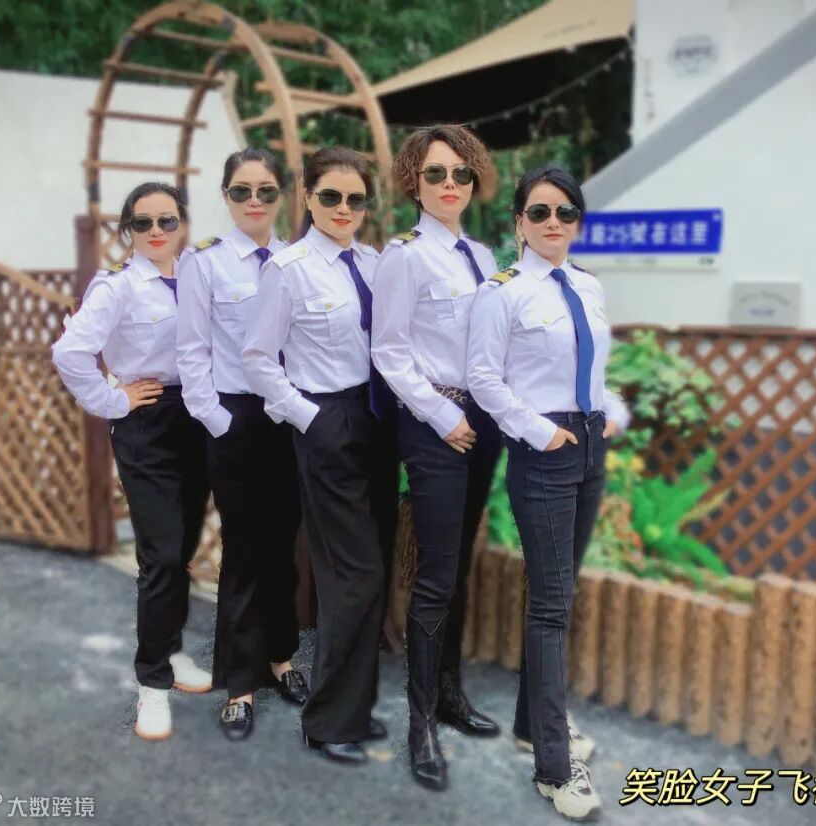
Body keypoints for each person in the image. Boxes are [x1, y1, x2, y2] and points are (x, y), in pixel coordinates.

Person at [466, 164, 629, 821]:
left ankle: (532, 726)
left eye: (565, 212)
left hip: (589, 443)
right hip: (543, 451)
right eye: (539, 212)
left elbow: (593, 370)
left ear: (577, 221)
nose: (553, 222)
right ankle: (555, 768)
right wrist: (539, 431)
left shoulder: (587, 285)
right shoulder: (503, 292)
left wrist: (611, 412)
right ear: (519, 223)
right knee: (551, 606)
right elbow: (483, 378)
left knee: (561, 594)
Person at [241, 147, 395, 765]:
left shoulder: (374, 263)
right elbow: (257, 359)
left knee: (373, 568)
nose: (344, 209)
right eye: (331, 196)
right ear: (307, 197)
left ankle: (352, 710)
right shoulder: (289, 269)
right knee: (353, 574)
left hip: (377, 418)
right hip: (327, 420)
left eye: (356, 199)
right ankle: (328, 722)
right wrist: (307, 417)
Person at [52, 182, 212, 741]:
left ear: (182, 224)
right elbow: (69, 352)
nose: (156, 232)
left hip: (197, 413)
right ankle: (152, 683)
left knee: (183, 546)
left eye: (167, 220)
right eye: (143, 223)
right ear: (128, 231)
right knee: (161, 554)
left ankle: (170, 650)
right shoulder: (118, 285)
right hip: (148, 421)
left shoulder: (197, 273)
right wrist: (112, 401)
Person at [370, 124, 501, 791]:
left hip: (485, 422)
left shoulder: (482, 254)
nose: (450, 184)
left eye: (461, 174)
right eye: (436, 174)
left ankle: (450, 692)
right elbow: (388, 351)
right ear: (413, 182)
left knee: (461, 566)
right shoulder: (405, 256)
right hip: (435, 424)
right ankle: (419, 720)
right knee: (436, 573)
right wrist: (442, 415)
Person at [175, 148, 307, 741]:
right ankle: (241, 681)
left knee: (283, 547)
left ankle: (280, 657)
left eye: (266, 190)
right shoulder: (204, 262)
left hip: (289, 418)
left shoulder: (296, 260)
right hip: (236, 418)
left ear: (282, 196)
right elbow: (191, 351)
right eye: (242, 190)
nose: (254, 201)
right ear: (226, 196)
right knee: (245, 551)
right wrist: (218, 421)